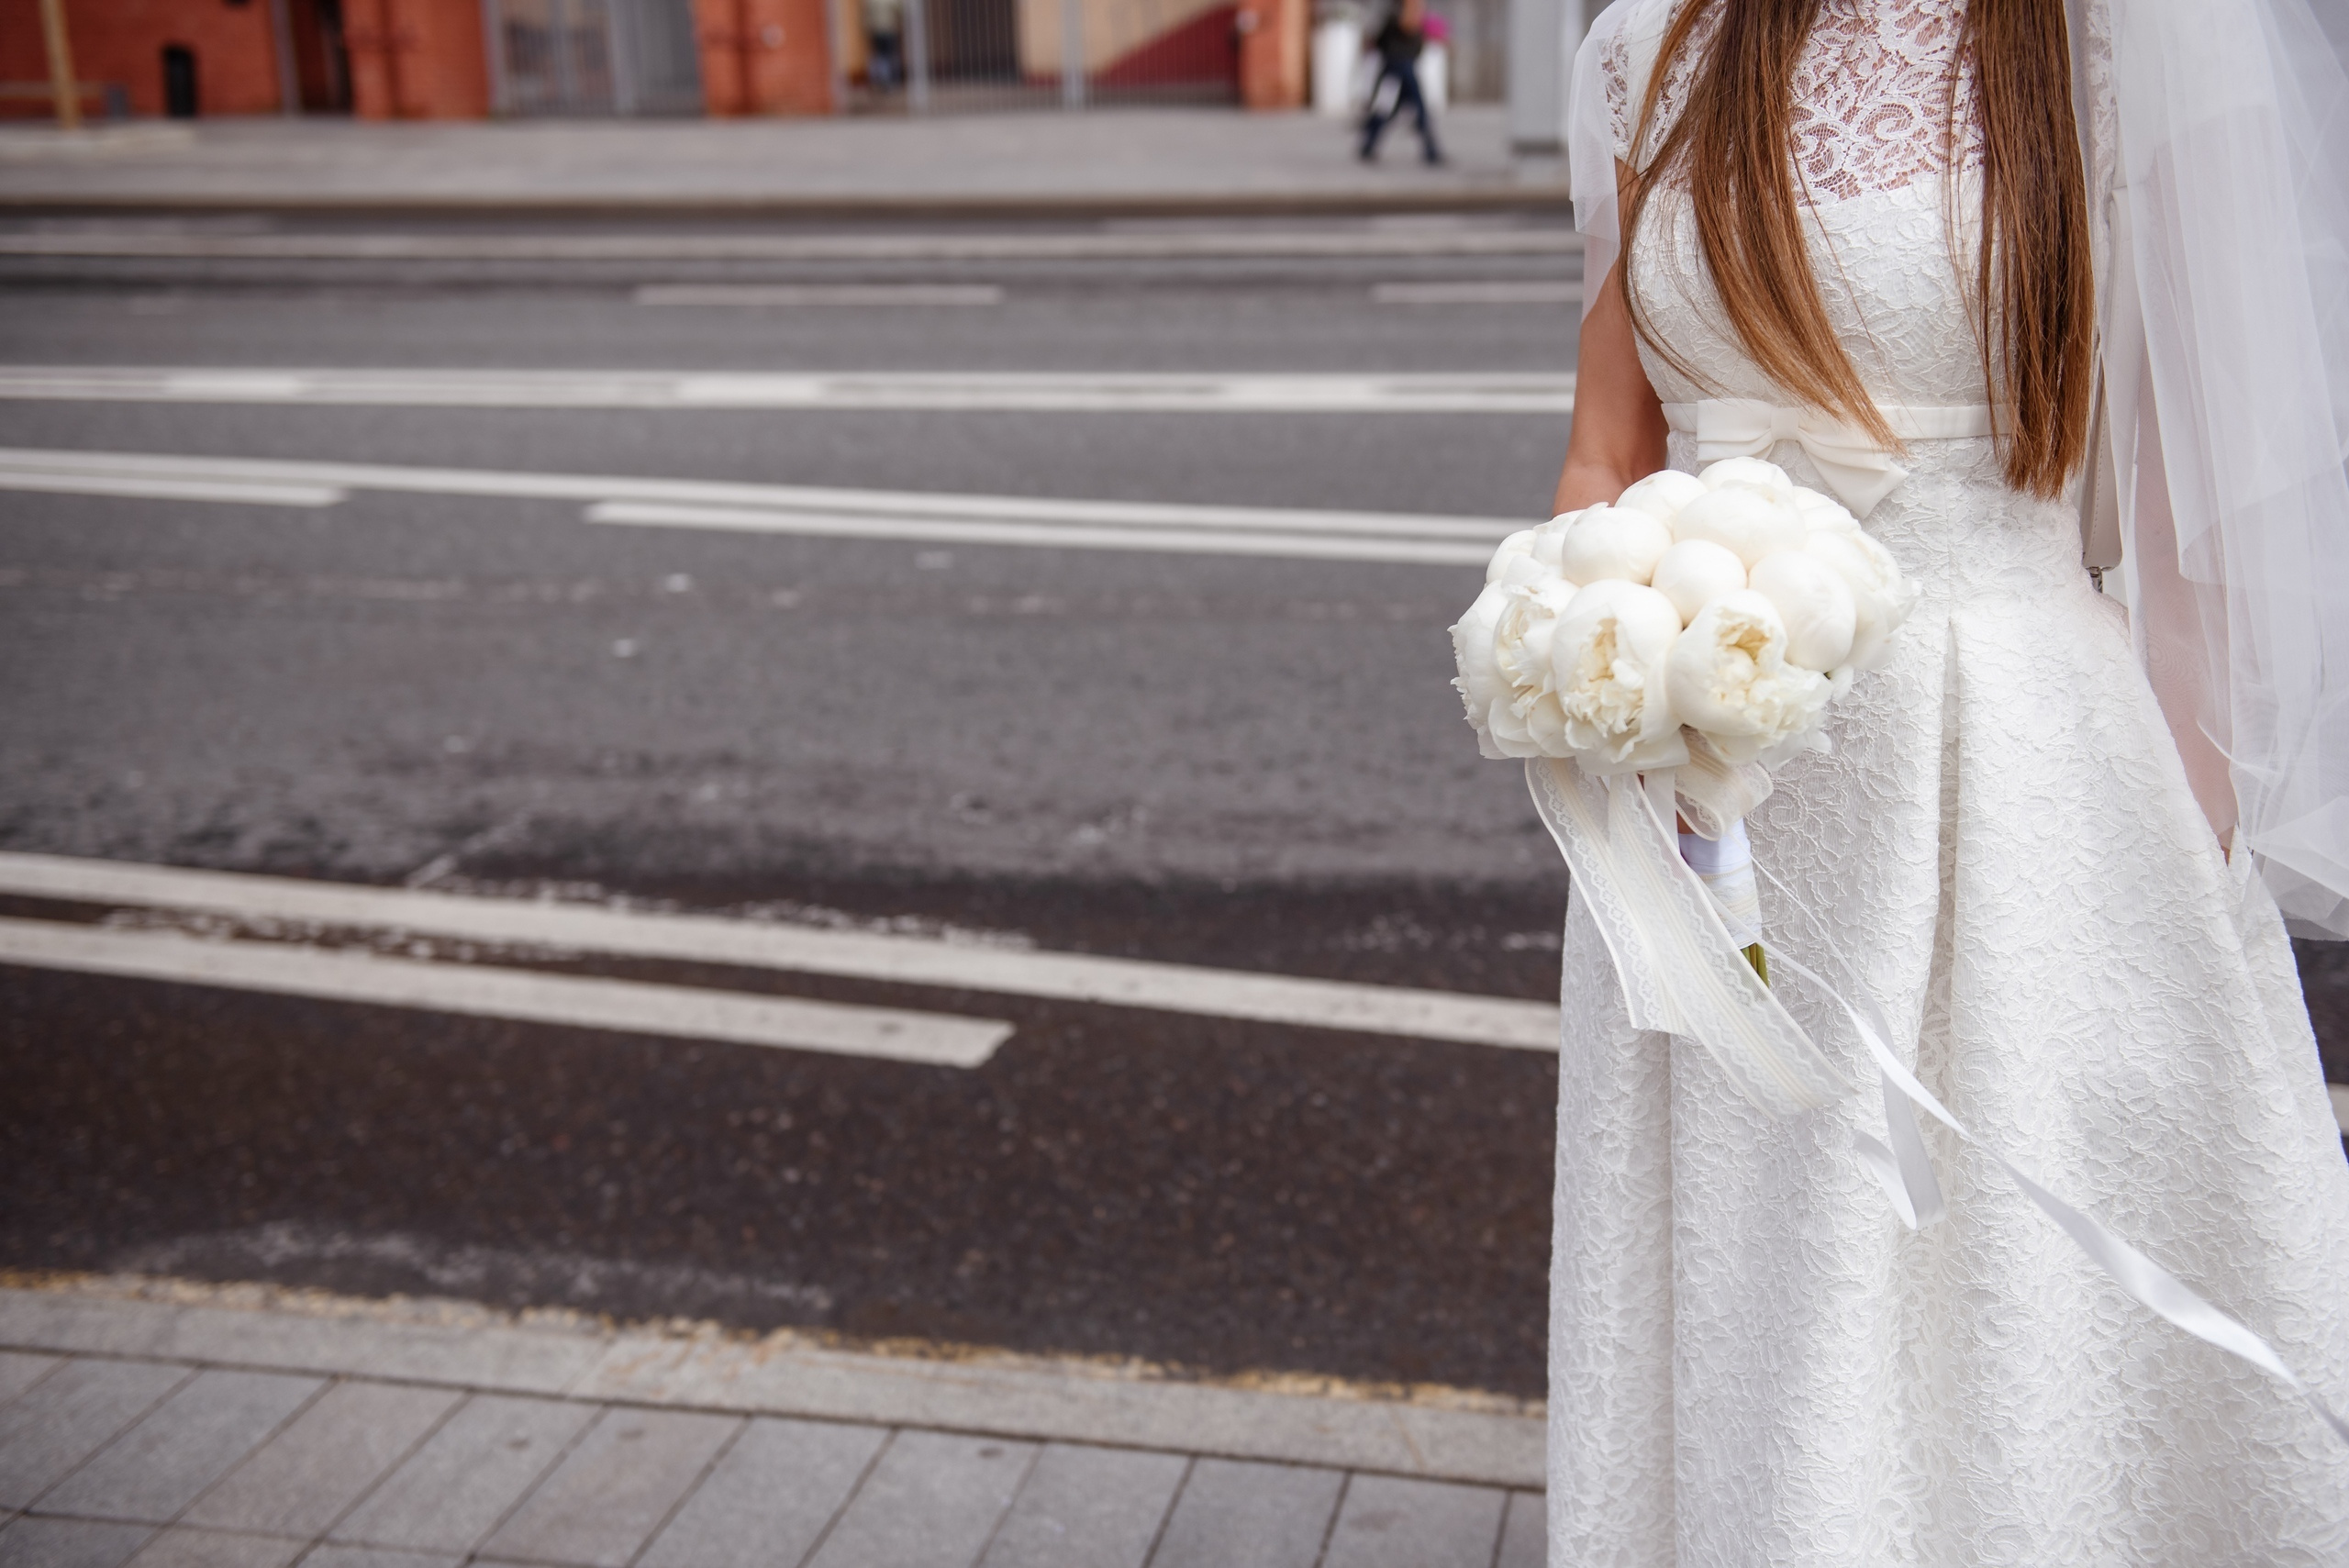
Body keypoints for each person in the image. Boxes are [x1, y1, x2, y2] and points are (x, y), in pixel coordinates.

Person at [1542, 0, 2349, 1561]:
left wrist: (2190, 886)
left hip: (2017, 782)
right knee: (1750, 1273)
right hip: (1713, 792)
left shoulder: (2122, 46)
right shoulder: (1657, 42)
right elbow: (1606, 441)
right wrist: (1588, 661)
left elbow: (2200, 548)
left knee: (2003, 1295)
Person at [1358, 0, 1442, 165]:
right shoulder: (1403, 12)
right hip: (1401, 66)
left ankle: (1369, 144)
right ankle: (1431, 151)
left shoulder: (1395, 11)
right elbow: (1406, 29)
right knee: (1416, 109)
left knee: (1390, 107)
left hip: (1398, 65)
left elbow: (1381, 40)